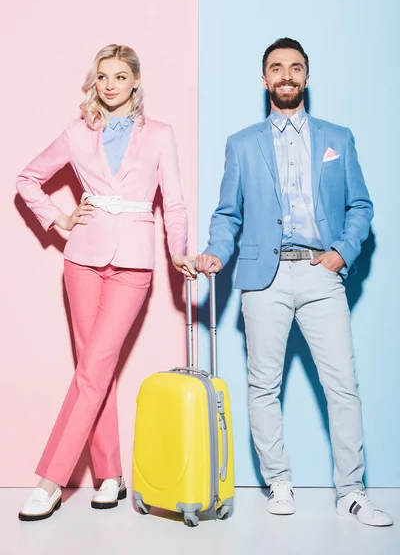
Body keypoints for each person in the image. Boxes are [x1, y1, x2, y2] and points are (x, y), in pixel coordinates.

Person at [195, 37, 393, 526]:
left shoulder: (337, 139)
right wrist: (216, 255)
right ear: (264, 80)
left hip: (321, 273)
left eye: (296, 67)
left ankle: (352, 491)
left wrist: (342, 253)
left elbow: (361, 206)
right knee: (264, 385)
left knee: (343, 386)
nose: (287, 75)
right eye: (277, 68)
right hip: (265, 276)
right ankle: (278, 482)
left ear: (307, 77)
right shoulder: (241, 143)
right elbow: (227, 213)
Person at [17, 44, 197, 521]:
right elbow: (27, 179)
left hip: (134, 263)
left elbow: (174, 203)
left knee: (94, 367)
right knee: (94, 371)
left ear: (136, 81)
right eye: (103, 77)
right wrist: (58, 218)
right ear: (94, 82)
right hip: (82, 260)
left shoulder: (159, 134)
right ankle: (111, 475)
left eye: (120, 76)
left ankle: (51, 481)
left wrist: (178, 249)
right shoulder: (77, 133)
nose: (111, 84)